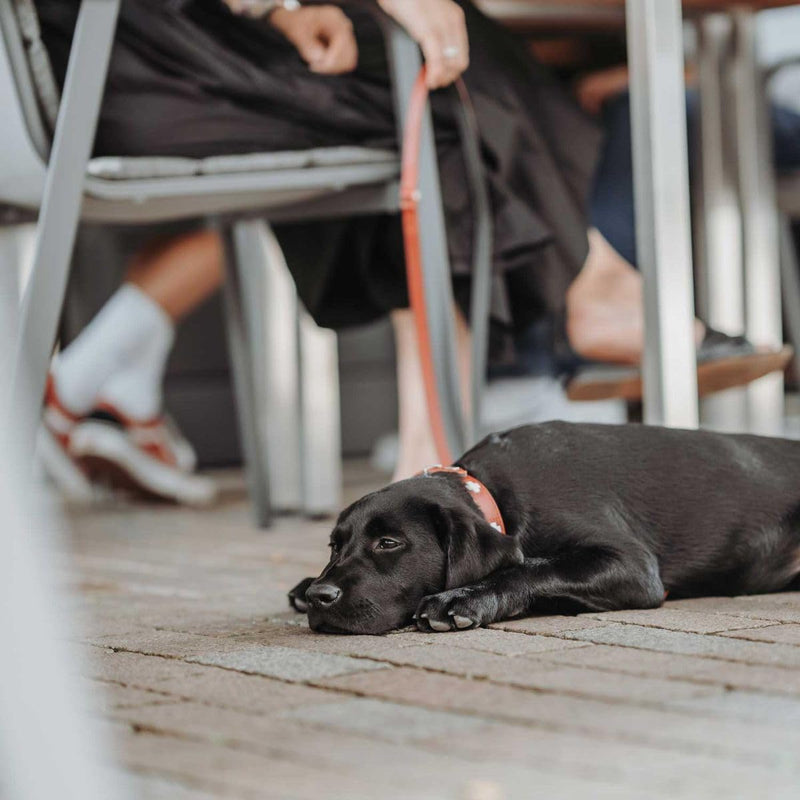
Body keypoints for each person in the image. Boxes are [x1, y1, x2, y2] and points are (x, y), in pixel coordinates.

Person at [37, 0, 785, 504]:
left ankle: (447, 445)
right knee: (440, 68)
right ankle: (560, 321)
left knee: (422, 74)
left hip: (92, 63)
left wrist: (281, 7)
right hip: (136, 66)